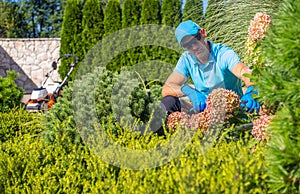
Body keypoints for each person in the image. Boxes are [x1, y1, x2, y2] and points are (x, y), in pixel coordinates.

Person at [161, 20, 260, 115]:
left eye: (195, 39)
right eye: (188, 45)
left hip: (233, 111)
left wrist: (252, 90)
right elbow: (167, 88)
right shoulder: (186, 59)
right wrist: (188, 91)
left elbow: (244, 71)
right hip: (205, 112)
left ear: (203, 33)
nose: (194, 47)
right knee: (169, 101)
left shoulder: (223, 54)